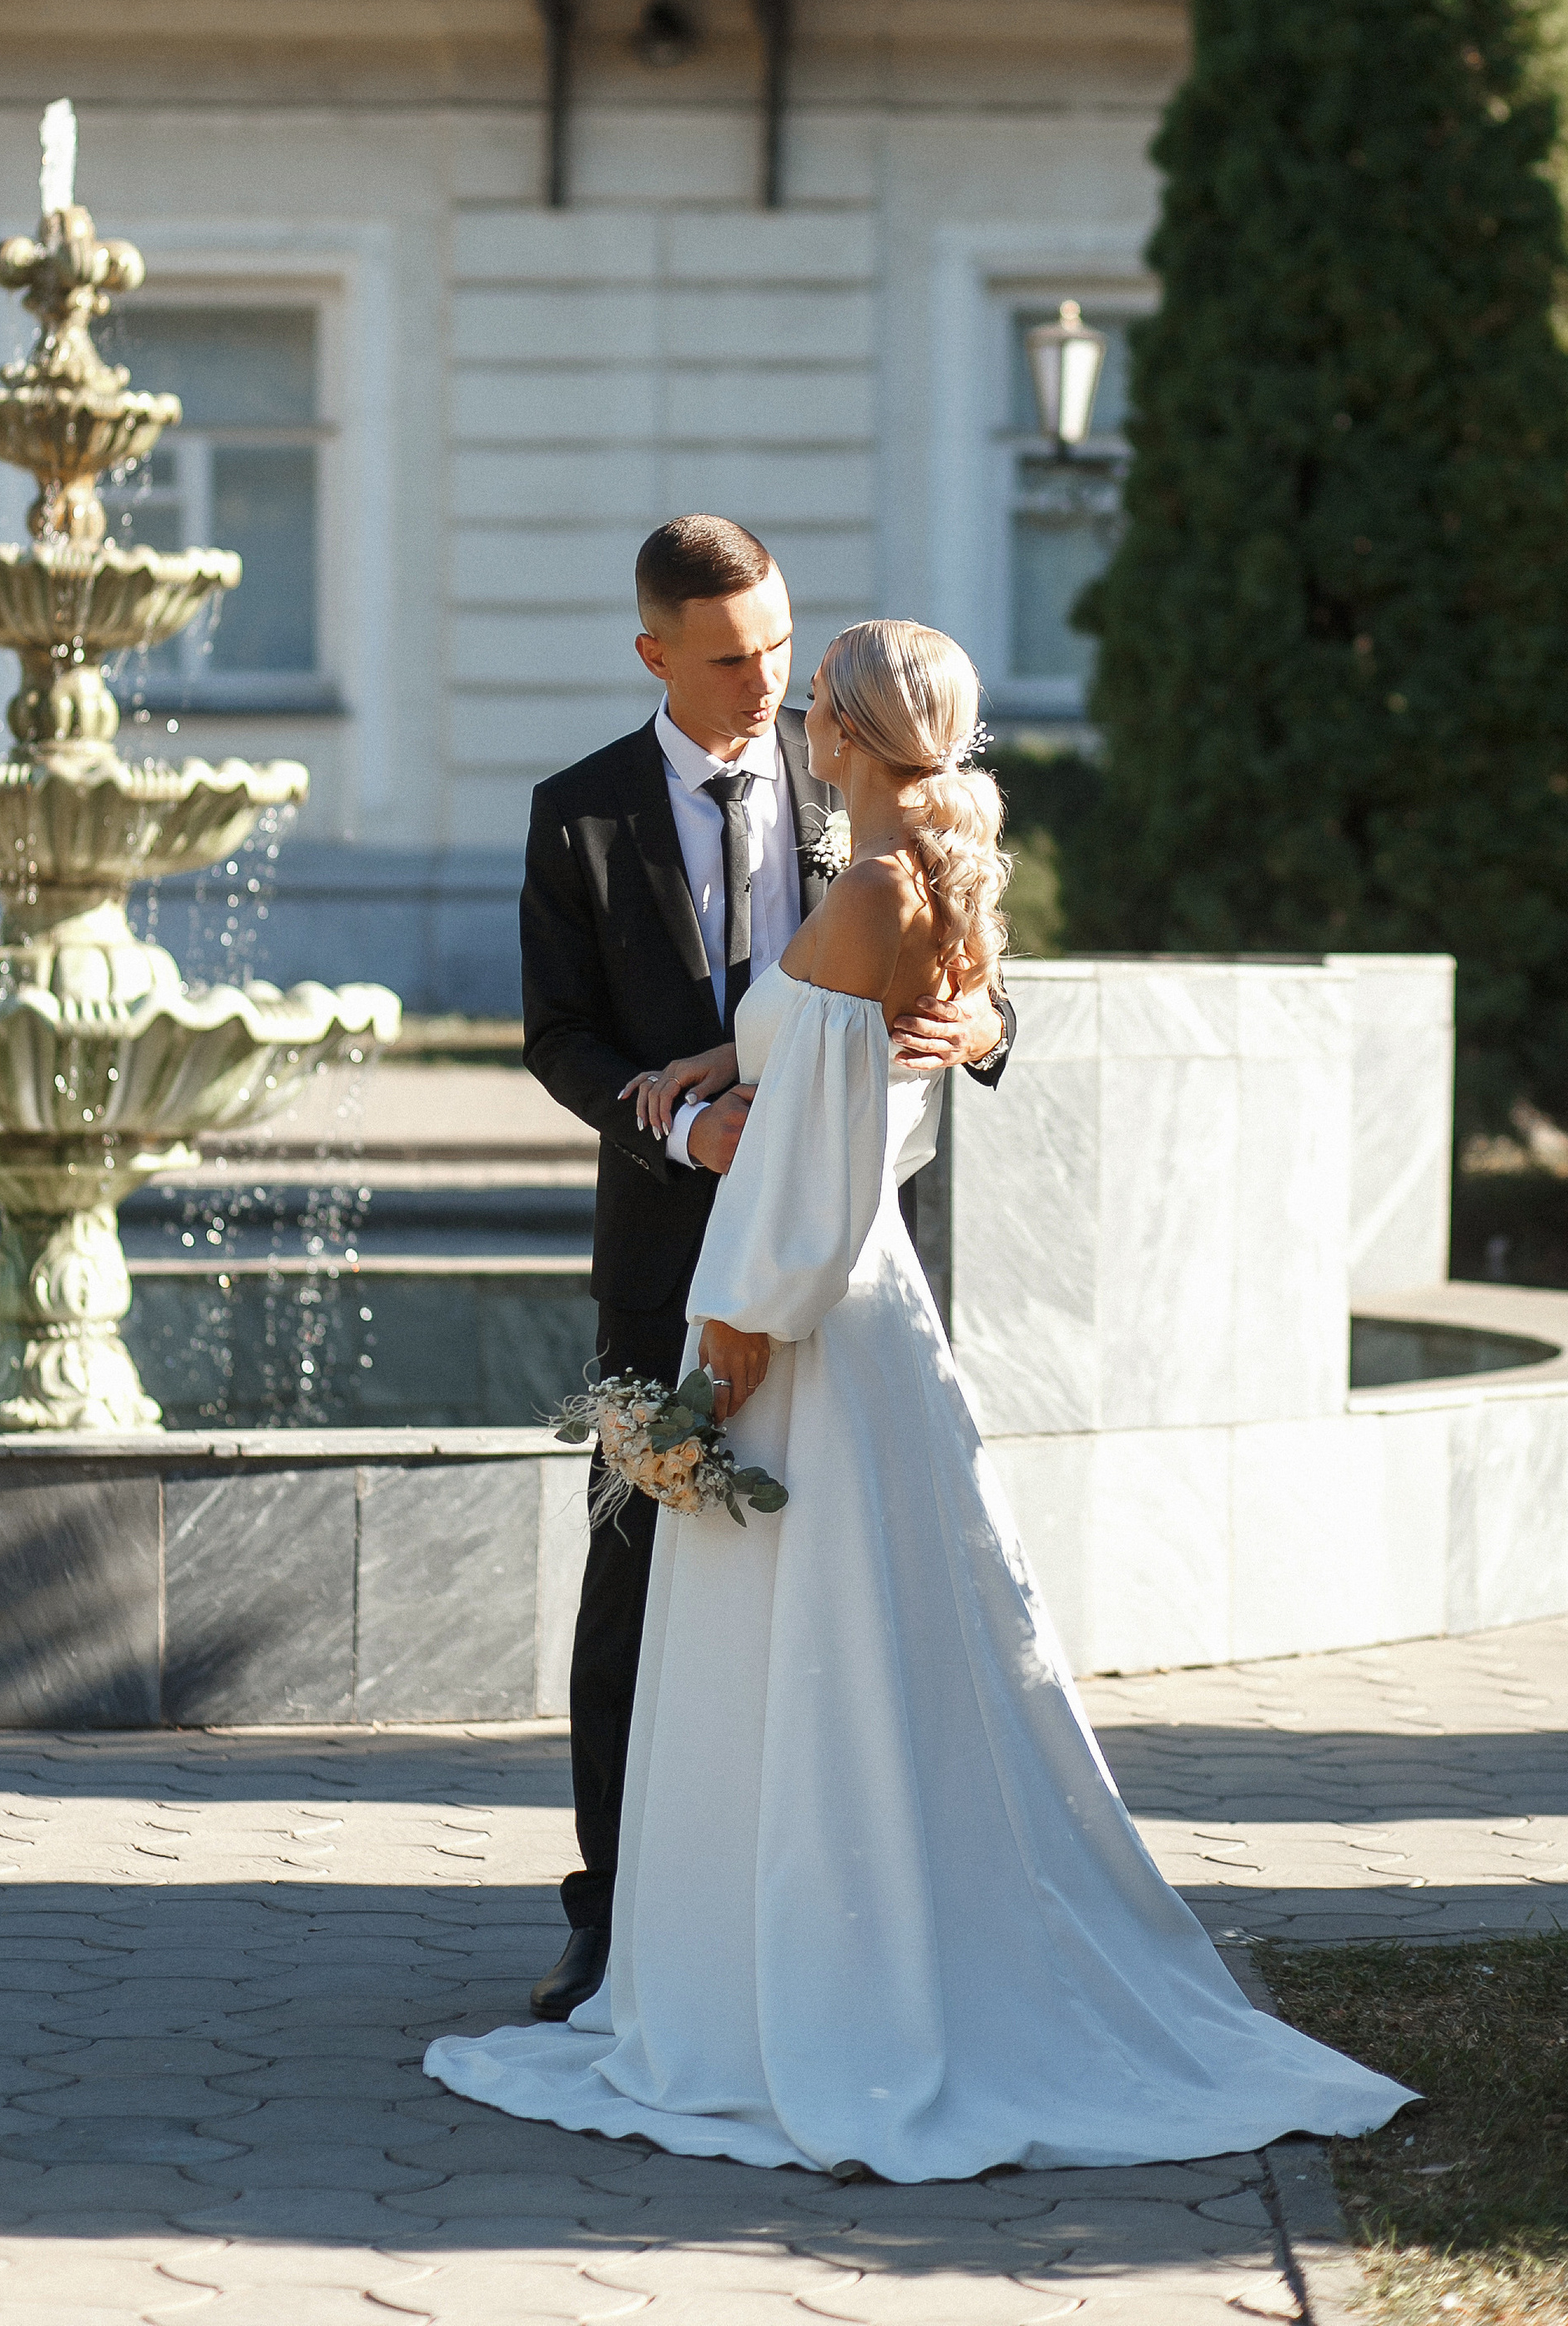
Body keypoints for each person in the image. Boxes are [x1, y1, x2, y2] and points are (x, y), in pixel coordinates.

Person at [431, 618, 1415, 2178]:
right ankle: (827, 1938)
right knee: (871, 1634)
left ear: (847, 731)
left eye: (809, 684)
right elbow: (829, 1048)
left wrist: (736, 1337)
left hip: (803, 1310)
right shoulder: (922, 874)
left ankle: (811, 1986)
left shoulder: (868, 883)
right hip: (865, 1306)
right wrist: (701, 1070)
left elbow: (819, 1143)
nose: (790, 705)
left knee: (795, 1636)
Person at [516, 522, 1015, 2024]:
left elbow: (966, 975)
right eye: (733, 658)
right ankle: (618, 1917)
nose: (768, 683)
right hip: (664, 1254)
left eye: (783, 648)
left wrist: (984, 1029)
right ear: (655, 653)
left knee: (844, 1592)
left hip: (838, 1257)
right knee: (636, 1587)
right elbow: (560, 1039)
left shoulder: (863, 776)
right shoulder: (578, 815)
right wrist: (684, 1123)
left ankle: (837, 1911)